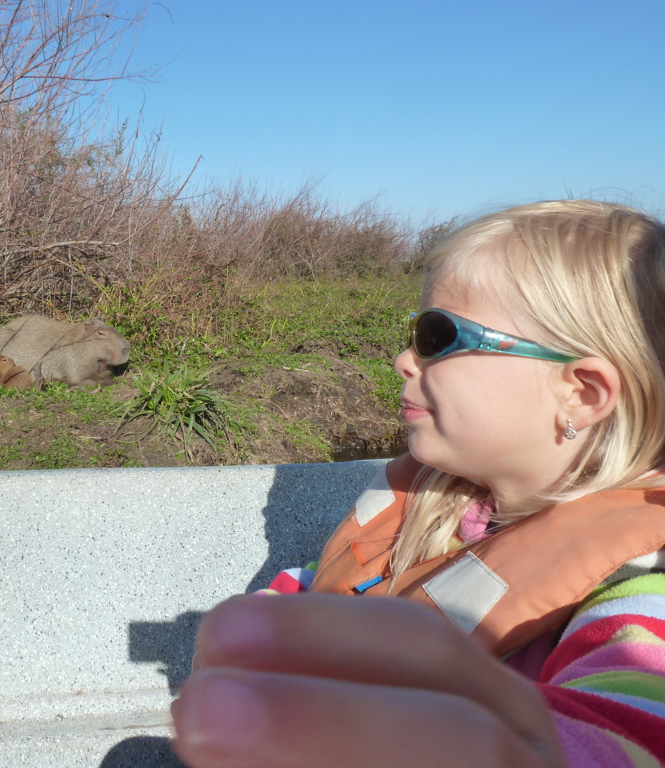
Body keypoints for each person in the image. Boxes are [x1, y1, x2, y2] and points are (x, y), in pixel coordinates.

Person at [171, 200, 665, 768]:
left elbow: (635, 727)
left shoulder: (638, 591)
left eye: (438, 336)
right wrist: (274, 619)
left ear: (580, 393)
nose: (404, 360)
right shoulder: (439, 509)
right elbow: (345, 587)